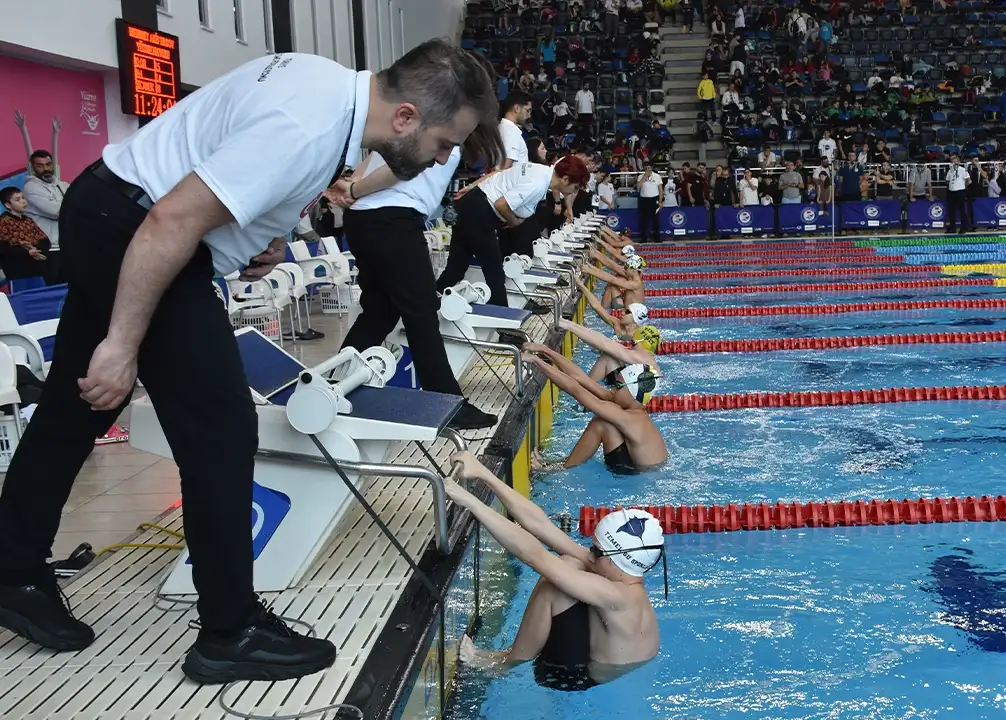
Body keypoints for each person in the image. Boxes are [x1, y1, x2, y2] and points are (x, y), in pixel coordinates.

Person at [0, 41, 497, 685]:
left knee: (74, 405)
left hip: (110, 209)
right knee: (222, 426)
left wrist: (263, 235)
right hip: (140, 228)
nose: (438, 159)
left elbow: (227, 163)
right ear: (405, 116)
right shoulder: (308, 126)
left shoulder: (325, 85)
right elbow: (170, 221)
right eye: (441, 142)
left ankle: (13, 570)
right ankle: (229, 633)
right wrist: (122, 347)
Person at [449, 451, 663, 690]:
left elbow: (533, 556)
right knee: (570, 562)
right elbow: (542, 526)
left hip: (572, 675)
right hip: (603, 655)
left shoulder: (618, 596)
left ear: (614, 560)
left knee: (556, 584)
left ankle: (502, 664)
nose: (589, 552)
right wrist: (482, 473)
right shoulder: (623, 572)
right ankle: (507, 659)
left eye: (595, 549)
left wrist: (470, 502)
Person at [338, 131, 503, 430]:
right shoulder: (439, 122)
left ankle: (334, 382)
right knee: (422, 313)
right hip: (392, 218)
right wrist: (356, 189)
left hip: (365, 219)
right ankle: (447, 404)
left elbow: (374, 157)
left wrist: (353, 190)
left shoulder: (406, 124)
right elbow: (401, 169)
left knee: (380, 313)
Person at [438, 157, 589, 308]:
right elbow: (501, 204)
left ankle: (429, 305)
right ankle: (504, 323)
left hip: (472, 205)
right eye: (575, 187)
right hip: (479, 213)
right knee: (494, 273)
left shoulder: (538, 169)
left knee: (456, 268)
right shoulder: (537, 184)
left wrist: (472, 186)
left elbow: (499, 173)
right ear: (565, 179)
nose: (573, 192)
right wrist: (513, 222)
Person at [522, 343, 667, 471]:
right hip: (637, 464)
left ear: (632, 392)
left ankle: (558, 469)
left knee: (601, 423)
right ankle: (560, 463)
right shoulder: (629, 405)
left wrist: (536, 361)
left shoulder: (630, 418)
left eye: (617, 386)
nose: (612, 389)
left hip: (641, 474)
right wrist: (545, 350)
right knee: (604, 422)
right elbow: (581, 378)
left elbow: (574, 389)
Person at [13, 112, 67, 282]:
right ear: (33, 167)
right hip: (47, 250)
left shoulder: (61, 185)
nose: (45, 168)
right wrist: (23, 130)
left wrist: (55, 135)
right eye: (40, 166)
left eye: (48, 164)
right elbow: (57, 212)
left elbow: (80, 207)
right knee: (52, 294)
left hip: (66, 247)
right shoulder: (31, 187)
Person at [0, 188, 57, 285]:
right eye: (17, 200)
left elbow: (45, 241)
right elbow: (3, 248)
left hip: (38, 270)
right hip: (17, 273)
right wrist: (27, 252)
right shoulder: (3, 222)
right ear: (8, 205)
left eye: (23, 198)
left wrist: (36, 251)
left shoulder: (28, 220)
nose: (23, 201)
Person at [636, 166, 662, 243]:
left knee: (656, 219)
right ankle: (644, 238)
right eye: (646, 168)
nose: (648, 170)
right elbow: (638, 187)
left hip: (654, 199)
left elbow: (660, 189)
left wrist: (660, 201)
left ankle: (657, 237)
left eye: (649, 168)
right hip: (644, 200)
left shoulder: (657, 176)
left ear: (651, 168)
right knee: (644, 220)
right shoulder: (641, 176)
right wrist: (644, 177)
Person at [945, 154, 969, 233]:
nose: (954, 163)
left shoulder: (962, 170)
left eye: (955, 161)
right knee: (951, 211)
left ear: (958, 162)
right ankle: (952, 228)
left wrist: (963, 187)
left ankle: (964, 227)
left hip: (960, 192)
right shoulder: (950, 171)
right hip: (952, 192)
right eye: (952, 161)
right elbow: (947, 180)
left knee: (961, 210)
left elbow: (969, 180)